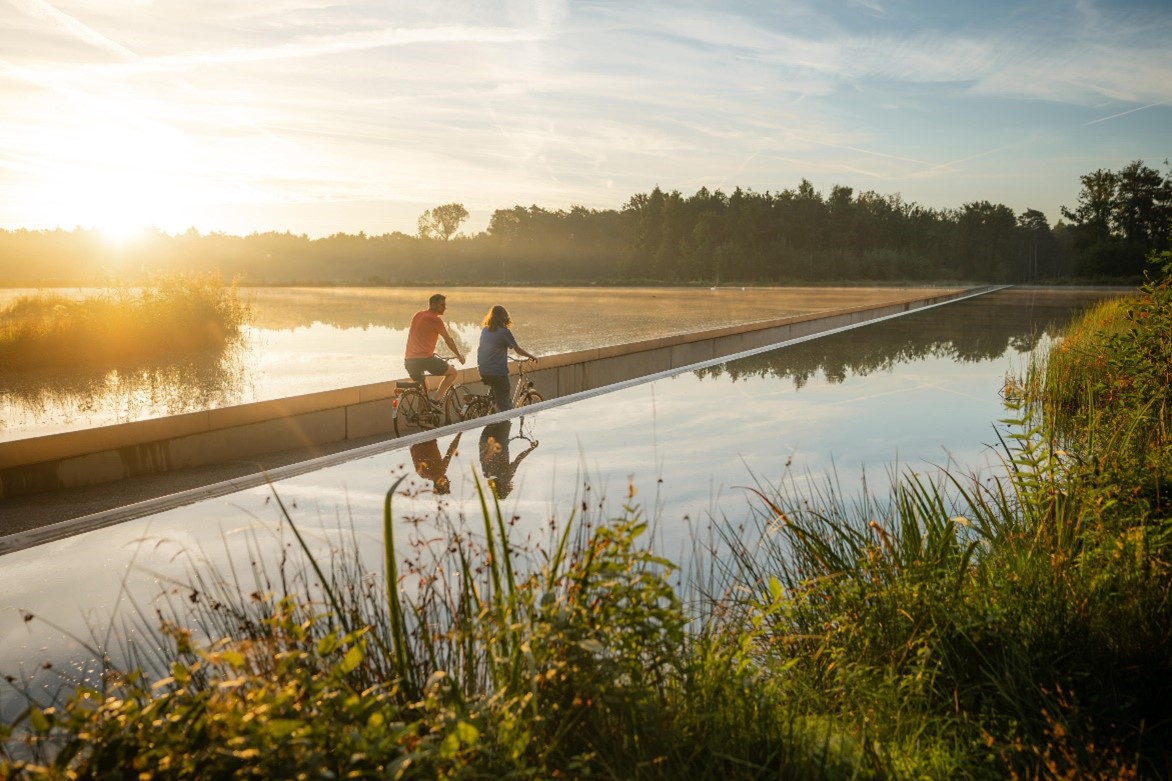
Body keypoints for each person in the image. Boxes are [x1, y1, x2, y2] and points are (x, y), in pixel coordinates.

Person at [404, 293, 465, 405]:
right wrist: (458, 355)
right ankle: (436, 400)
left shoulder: (418, 315)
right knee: (452, 373)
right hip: (425, 360)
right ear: (433, 305)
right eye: (442, 305)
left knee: (423, 390)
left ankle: (422, 413)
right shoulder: (435, 320)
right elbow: (448, 340)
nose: (444, 308)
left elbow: (421, 335)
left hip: (409, 361)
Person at [476, 305, 537, 412]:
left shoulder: (485, 330)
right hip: (498, 372)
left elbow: (481, 349)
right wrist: (531, 356)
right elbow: (517, 350)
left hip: (483, 370)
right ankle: (507, 424)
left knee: (495, 396)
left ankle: (490, 413)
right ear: (504, 317)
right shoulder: (504, 332)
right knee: (506, 405)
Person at [478, 420, 538, 499]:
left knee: (506, 413)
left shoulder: (506, 477)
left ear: (504, 489)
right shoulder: (486, 474)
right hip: (485, 439)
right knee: (494, 416)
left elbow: (518, 459)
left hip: (499, 441)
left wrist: (530, 449)